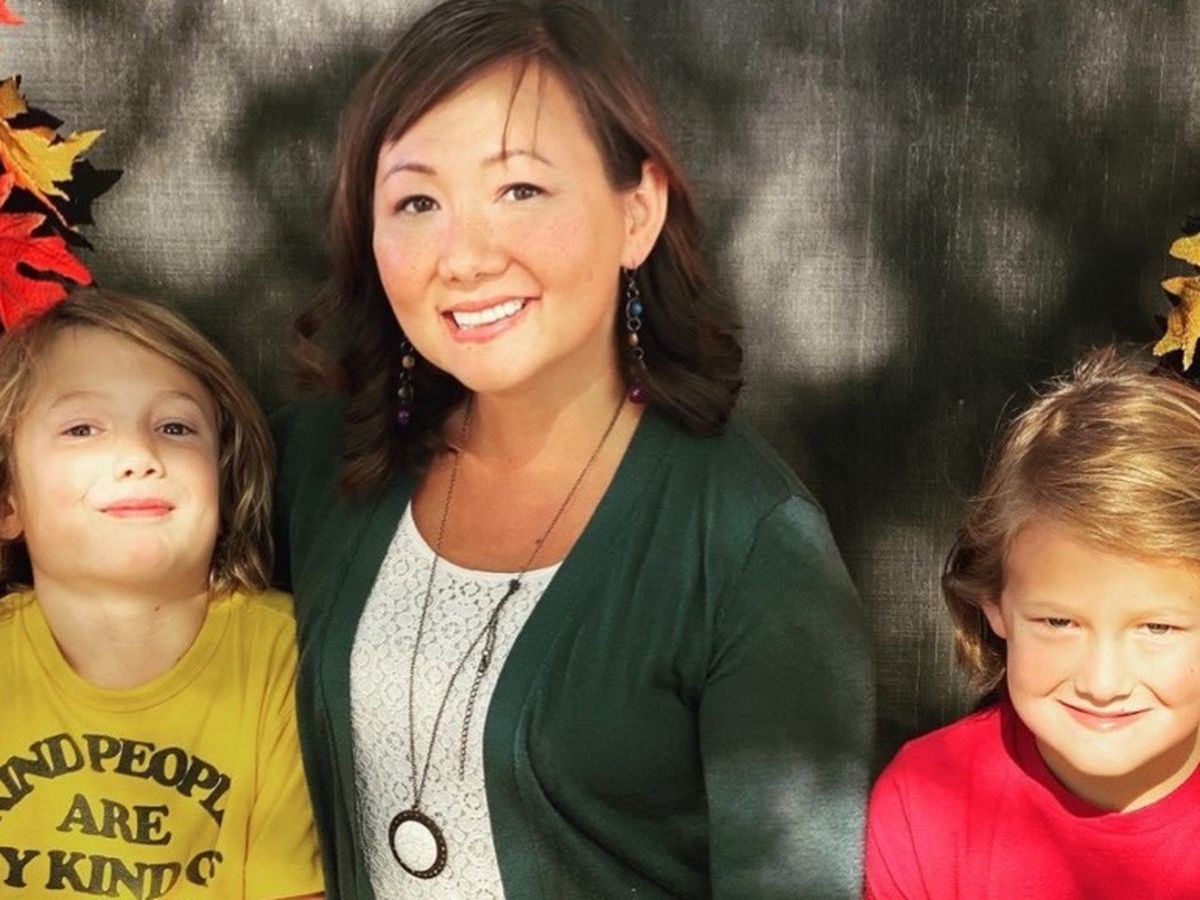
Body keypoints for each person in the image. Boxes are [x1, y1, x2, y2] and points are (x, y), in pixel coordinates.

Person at [275, 0, 870, 896]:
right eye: (417, 201)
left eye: (520, 189)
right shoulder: (322, 463)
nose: (464, 256)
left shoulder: (750, 546)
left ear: (638, 212)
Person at [0, 288, 324, 898]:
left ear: (225, 480)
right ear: (7, 499)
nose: (138, 455)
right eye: (81, 428)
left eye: (176, 427)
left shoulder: (285, 662)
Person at [865, 349, 1200, 898]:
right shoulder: (924, 807)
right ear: (994, 603)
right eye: (1059, 621)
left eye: (1156, 629)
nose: (1103, 684)